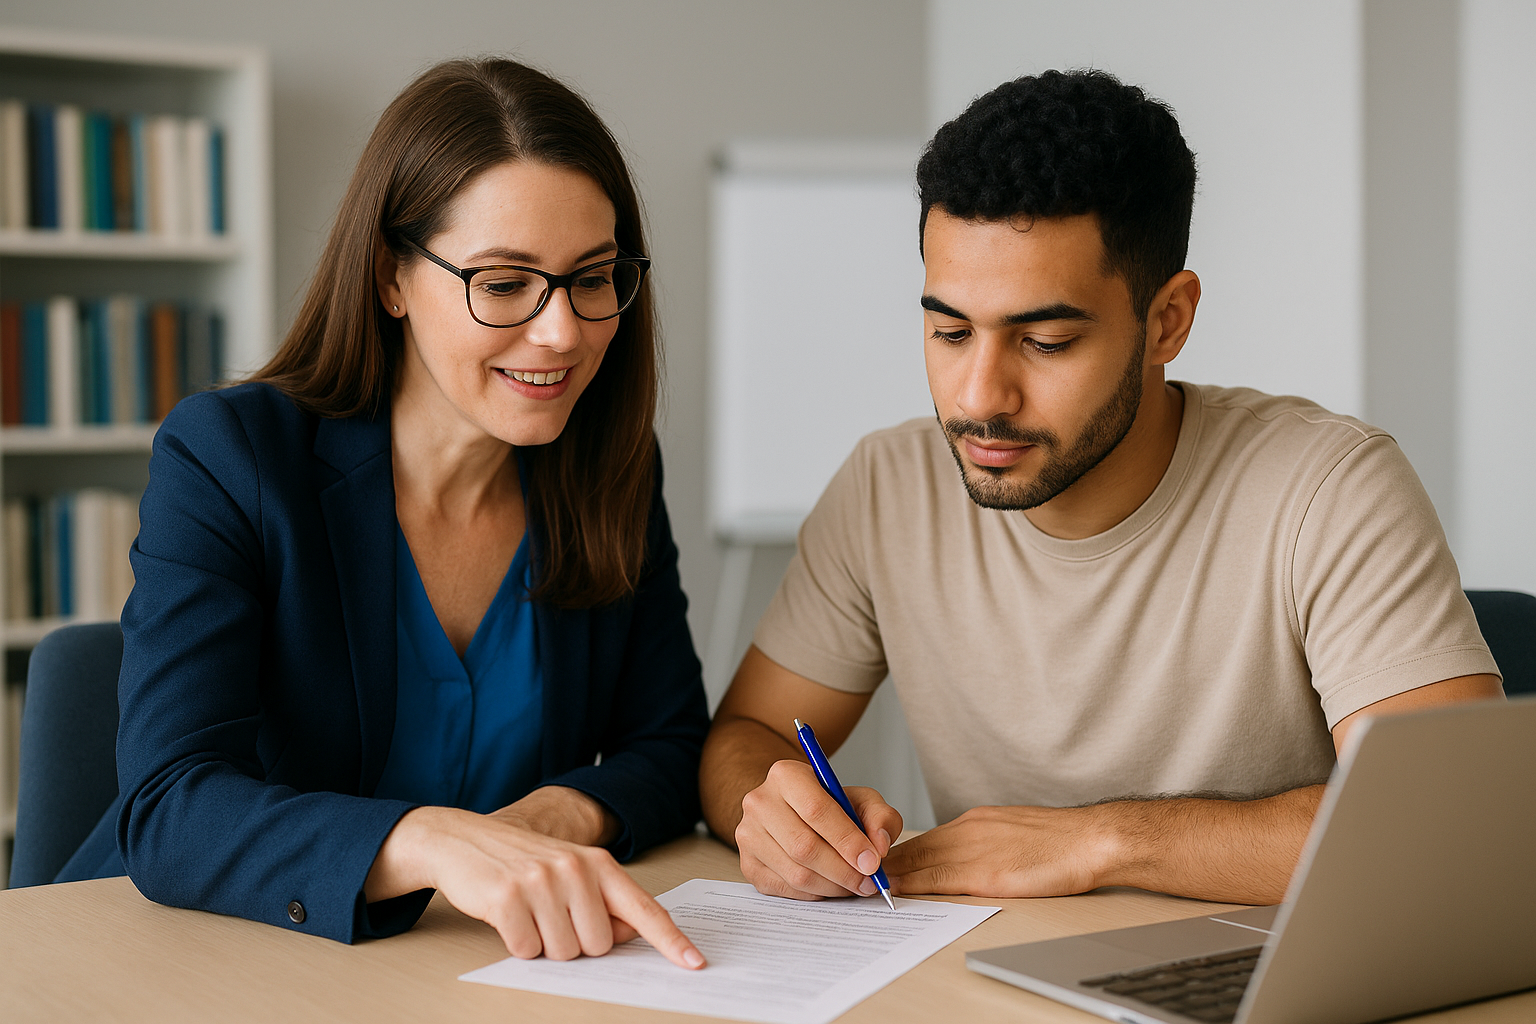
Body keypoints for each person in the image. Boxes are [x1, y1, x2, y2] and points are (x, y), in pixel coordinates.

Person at [700, 69, 1503, 908]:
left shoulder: (1330, 487)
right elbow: (746, 736)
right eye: (949, 330)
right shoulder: (885, 488)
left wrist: (1098, 841)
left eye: (1044, 341)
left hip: (1255, 968)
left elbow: (1447, 825)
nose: (979, 396)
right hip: (981, 966)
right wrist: (777, 814)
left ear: (1168, 322)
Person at [62, 58, 708, 970]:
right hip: (197, 960)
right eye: (505, 283)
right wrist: (429, 840)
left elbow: (671, 746)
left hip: (454, 967)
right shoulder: (232, 456)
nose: (563, 331)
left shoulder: (610, 470)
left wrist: (554, 816)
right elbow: (171, 807)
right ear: (390, 278)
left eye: (592, 277)